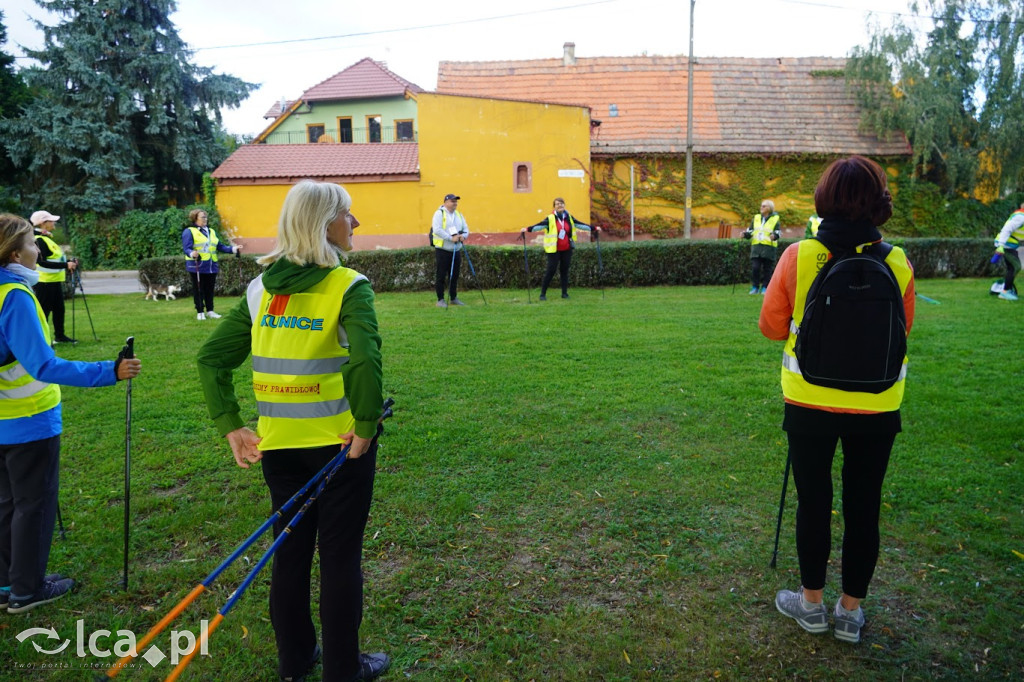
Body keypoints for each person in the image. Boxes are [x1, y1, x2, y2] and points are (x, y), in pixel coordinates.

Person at [197, 180, 389, 682]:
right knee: (340, 559)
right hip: (342, 448)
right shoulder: (349, 284)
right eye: (348, 214)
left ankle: (295, 662)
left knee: (290, 554)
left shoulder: (259, 289)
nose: (356, 223)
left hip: (280, 449)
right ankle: (343, 671)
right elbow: (366, 359)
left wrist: (231, 425)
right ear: (325, 224)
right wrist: (366, 424)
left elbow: (212, 359)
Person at [758, 156, 915, 644]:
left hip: (809, 402)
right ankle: (850, 612)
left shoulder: (798, 256)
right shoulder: (898, 261)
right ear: (878, 202)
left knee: (814, 501)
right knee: (863, 506)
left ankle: (810, 605)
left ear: (823, 199)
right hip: (878, 405)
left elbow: (770, 327)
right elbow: (903, 329)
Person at [0, 213, 141, 614]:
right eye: (31, 245)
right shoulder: (14, 295)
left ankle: (7, 583)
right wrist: (107, 372)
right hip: (28, 420)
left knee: (7, 504)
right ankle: (26, 591)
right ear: (14, 253)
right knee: (33, 505)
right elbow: (42, 365)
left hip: (4, 422)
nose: (36, 251)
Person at [520, 198, 601, 300]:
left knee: (564, 271)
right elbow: (539, 226)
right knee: (551, 270)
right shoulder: (550, 218)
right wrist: (527, 229)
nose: (560, 205)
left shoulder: (568, 217)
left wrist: (594, 228)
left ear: (564, 205)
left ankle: (564, 293)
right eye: (557, 204)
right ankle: (542, 294)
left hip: (567, 249)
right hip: (554, 250)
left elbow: (580, 224)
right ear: (554, 207)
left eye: (561, 203)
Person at [182, 209, 240, 321]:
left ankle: (210, 311)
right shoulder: (189, 231)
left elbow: (220, 246)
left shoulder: (211, 231)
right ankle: (200, 312)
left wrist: (233, 249)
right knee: (199, 290)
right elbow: (186, 248)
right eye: (202, 217)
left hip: (211, 265)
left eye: (206, 217)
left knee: (209, 289)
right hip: (197, 266)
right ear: (195, 219)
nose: (205, 219)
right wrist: (192, 253)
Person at [30, 210, 78, 344]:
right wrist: (65, 264)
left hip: (54, 281)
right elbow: (42, 262)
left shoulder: (46, 238)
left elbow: (55, 258)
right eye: (51, 220)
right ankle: (41, 340)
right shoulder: (39, 240)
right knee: (43, 312)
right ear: (43, 223)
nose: (54, 222)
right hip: (44, 282)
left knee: (59, 310)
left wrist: (69, 261)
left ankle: (60, 336)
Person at [431, 193, 469, 308]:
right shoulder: (439, 214)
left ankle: (453, 298)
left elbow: (466, 228)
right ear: (446, 202)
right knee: (441, 275)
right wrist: (450, 238)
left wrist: (464, 236)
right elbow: (437, 230)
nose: (455, 203)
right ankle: (440, 299)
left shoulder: (459, 214)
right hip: (443, 249)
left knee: (454, 276)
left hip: (456, 249)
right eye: (452, 201)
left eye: (456, 201)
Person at [742, 200, 781, 294]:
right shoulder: (756, 218)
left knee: (767, 269)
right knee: (755, 268)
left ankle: (765, 287)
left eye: (764, 206)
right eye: (761, 206)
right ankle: (755, 287)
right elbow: (751, 231)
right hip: (756, 248)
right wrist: (745, 234)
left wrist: (774, 236)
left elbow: (778, 232)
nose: (761, 208)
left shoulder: (775, 218)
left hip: (769, 248)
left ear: (769, 208)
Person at [993, 201, 1024, 301]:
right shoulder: (1021, 217)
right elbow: (1006, 229)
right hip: (1005, 245)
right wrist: (1000, 246)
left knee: (1012, 267)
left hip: (1010, 245)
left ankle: (1004, 288)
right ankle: (1005, 292)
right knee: (1015, 266)